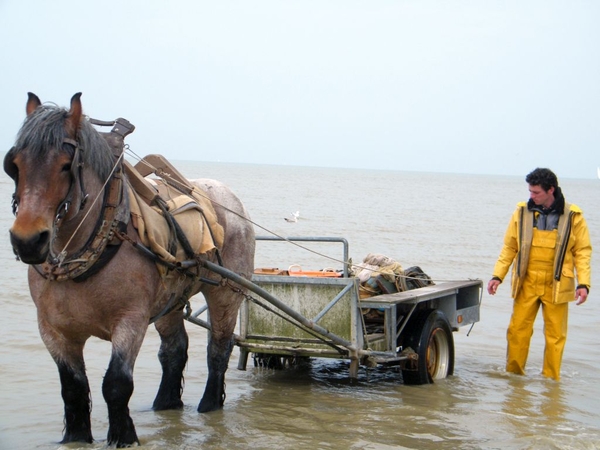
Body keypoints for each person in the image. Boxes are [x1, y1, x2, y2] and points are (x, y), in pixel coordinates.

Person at [487, 168, 592, 380]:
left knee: (555, 337)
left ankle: (551, 383)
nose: (531, 196)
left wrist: (584, 284)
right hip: (527, 281)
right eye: (530, 191)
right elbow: (510, 247)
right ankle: (514, 380)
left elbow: (582, 252)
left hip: (558, 284)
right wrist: (497, 276)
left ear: (550, 190)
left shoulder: (573, 216)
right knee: (517, 332)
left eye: (536, 192)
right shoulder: (521, 212)